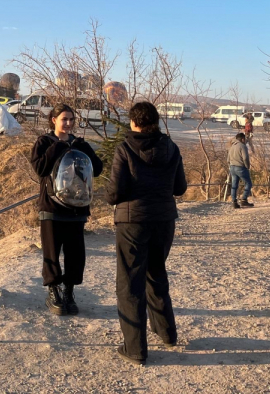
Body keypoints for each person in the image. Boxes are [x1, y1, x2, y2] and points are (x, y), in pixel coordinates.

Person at [106, 101, 187, 366]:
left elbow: (114, 194)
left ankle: (135, 349)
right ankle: (167, 333)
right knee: (156, 274)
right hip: (164, 220)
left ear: (133, 122)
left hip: (133, 222)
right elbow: (180, 188)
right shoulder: (171, 148)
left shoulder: (125, 148)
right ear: (156, 121)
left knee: (130, 284)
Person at [31, 103, 103, 316]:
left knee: (75, 253)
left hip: (76, 209)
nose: (69, 123)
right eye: (65, 119)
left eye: (72, 119)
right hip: (51, 208)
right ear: (54, 120)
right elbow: (40, 168)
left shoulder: (78, 143)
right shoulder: (44, 142)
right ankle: (54, 291)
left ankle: (69, 291)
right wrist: (58, 147)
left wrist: (84, 148)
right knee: (52, 252)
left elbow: (97, 169)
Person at [227, 132, 253, 208]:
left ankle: (234, 202)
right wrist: (247, 166)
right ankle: (244, 199)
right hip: (240, 167)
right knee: (248, 183)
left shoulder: (231, 147)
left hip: (232, 167)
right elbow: (245, 158)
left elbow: (228, 159)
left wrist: (231, 165)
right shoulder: (242, 146)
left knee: (234, 185)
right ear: (242, 139)